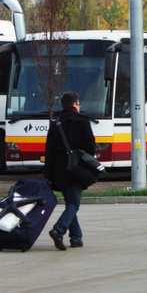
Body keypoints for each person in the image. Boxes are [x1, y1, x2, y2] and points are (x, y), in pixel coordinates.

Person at [44, 91, 96, 251]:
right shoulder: (83, 123)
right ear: (74, 105)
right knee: (73, 204)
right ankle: (58, 230)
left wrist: (48, 176)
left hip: (59, 172)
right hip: (76, 169)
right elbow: (91, 147)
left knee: (70, 203)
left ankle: (76, 237)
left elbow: (49, 153)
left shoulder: (56, 125)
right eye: (78, 104)